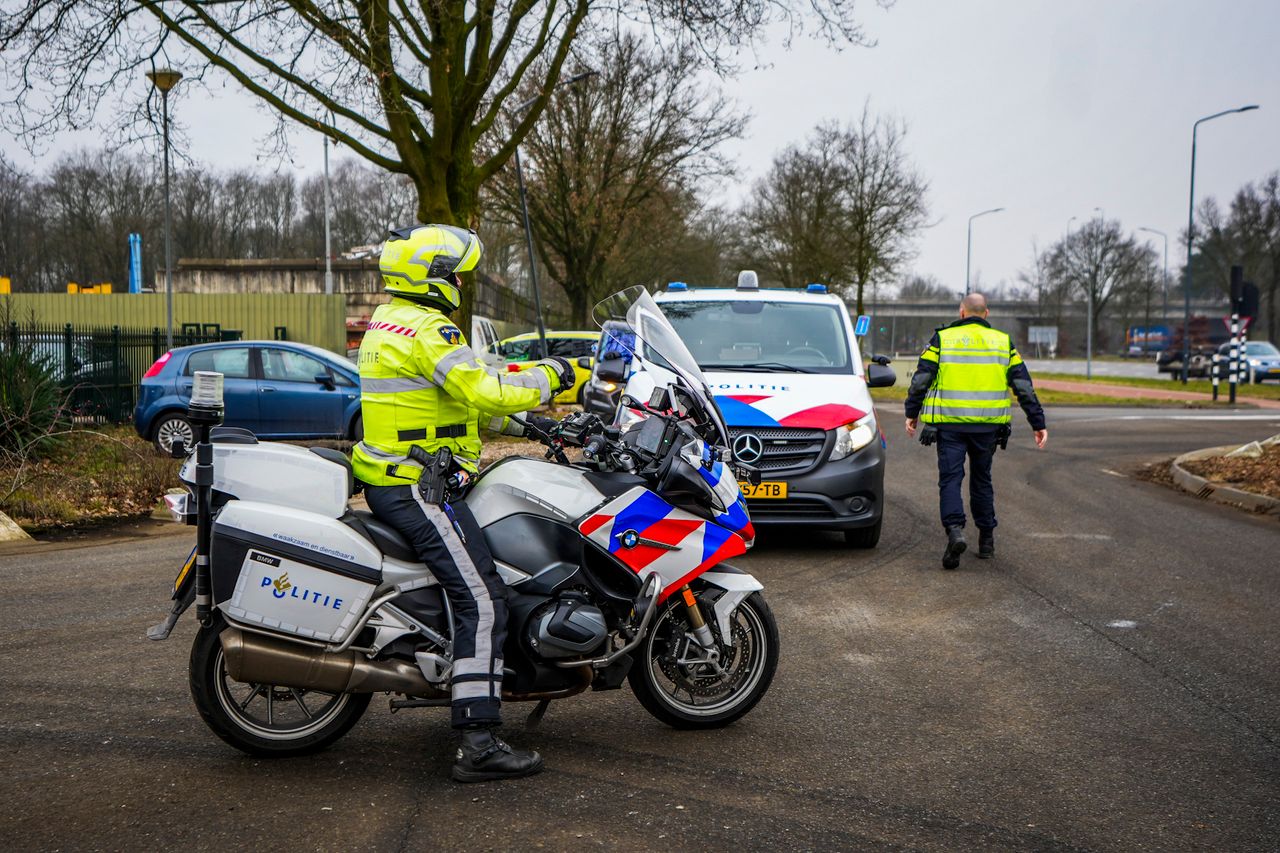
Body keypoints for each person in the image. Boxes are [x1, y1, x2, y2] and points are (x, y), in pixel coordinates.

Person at [351, 224, 576, 782]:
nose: (456, 282)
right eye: (452, 272)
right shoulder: (427, 329)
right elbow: (483, 389)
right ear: (432, 277)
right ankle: (478, 740)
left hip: (401, 476)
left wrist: (535, 425)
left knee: (481, 581)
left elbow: (459, 403)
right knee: (484, 596)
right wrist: (557, 375)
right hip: (418, 486)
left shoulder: (390, 321)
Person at [903, 293, 1047, 570]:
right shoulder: (1003, 343)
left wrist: (912, 412)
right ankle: (987, 541)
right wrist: (1037, 423)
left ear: (961, 312)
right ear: (986, 313)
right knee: (982, 481)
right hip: (987, 429)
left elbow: (921, 378)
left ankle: (955, 531)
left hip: (950, 426)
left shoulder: (943, 339)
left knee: (951, 480)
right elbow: (1023, 386)